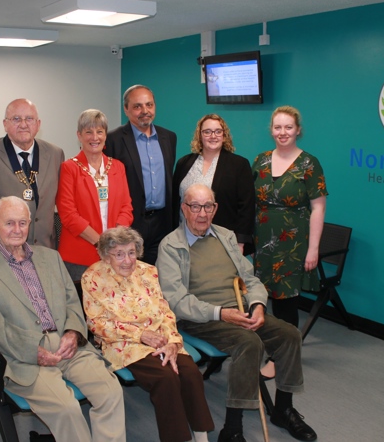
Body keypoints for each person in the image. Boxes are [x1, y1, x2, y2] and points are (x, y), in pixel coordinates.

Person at [157, 184, 317, 442]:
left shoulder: (226, 236)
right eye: (195, 206)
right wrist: (221, 313)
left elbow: (250, 279)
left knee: (289, 334)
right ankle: (232, 428)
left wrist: (257, 306)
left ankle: (283, 410)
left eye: (208, 206)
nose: (202, 213)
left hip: (240, 310)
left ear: (215, 208)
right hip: (200, 318)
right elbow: (176, 300)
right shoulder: (170, 246)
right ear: (184, 209)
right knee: (248, 342)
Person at [0, 196, 126, 442]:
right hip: (22, 358)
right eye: (9, 223)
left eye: (22, 223)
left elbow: (72, 301)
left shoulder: (50, 257)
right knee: (67, 409)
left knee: (111, 391)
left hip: (68, 346)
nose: (17, 230)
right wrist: (33, 351)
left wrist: (73, 332)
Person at [82, 227, 214, 442]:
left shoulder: (148, 272)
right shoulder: (93, 277)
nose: (127, 261)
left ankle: (202, 436)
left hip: (161, 338)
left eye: (132, 253)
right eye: (119, 254)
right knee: (165, 378)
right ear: (106, 256)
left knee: (190, 373)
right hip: (124, 344)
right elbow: (97, 324)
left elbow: (165, 311)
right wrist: (140, 335)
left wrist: (172, 342)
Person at [252, 106, 328, 328]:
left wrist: (313, 249)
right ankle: (266, 349)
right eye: (277, 127)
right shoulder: (260, 160)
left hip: (293, 244)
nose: (282, 132)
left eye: (288, 127)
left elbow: (319, 209)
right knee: (259, 300)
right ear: (271, 131)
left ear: (298, 130)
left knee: (286, 306)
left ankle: (282, 360)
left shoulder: (309, 164)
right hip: (262, 243)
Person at [0, 98, 65, 248]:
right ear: (5, 124)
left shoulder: (55, 154)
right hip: (2, 252)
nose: (23, 124)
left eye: (29, 119)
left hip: (44, 250)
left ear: (38, 124)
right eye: (16, 119)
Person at [56, 109, 133, 287]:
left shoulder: (118, 167)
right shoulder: (69, 168)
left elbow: (126, 207)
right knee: (83, 310)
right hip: (79, 256)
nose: (94, 137)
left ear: (105, 135)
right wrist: (101, 243)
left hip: (116, 253)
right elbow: (68, 214)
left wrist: (115, 241)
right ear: (79, 136)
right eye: (88, 132)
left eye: (99, 131)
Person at [104, 85, 176, 265]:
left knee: (160, 278)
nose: (145, 111)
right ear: (126, 110)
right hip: (131, 223)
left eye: (149, 105)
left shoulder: (169, 137)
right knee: (129, 279)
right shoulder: (113, 140)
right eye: (137, 106)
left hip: (163, 223)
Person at [173, 114, 255, 256]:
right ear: (200, 135)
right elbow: (174, 201)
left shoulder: (238, 165)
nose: (213, 136)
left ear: (224, 136)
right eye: (207, 132)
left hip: (222, 241)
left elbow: (246, 207)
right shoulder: (184, 163)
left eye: (218, 131)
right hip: (185, 239)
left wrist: (240, 242)